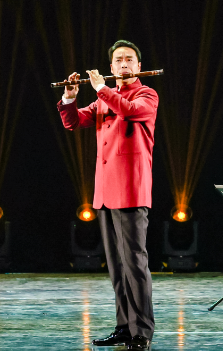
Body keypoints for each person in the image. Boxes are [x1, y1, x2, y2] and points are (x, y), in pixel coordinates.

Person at [58, 40, 157, 351]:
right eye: (118, 60)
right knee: (117, 268)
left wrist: (102, 89)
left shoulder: (146, 95)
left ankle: (142, 332)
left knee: (134, 265)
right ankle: (124, 328)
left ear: (138, 66)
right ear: (111, 67)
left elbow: (129, 111)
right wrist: (70, 97)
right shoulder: (105, 98)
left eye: (129, 59)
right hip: (104, 192)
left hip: (130, 191)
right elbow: (73, 122)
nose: (123, 64)